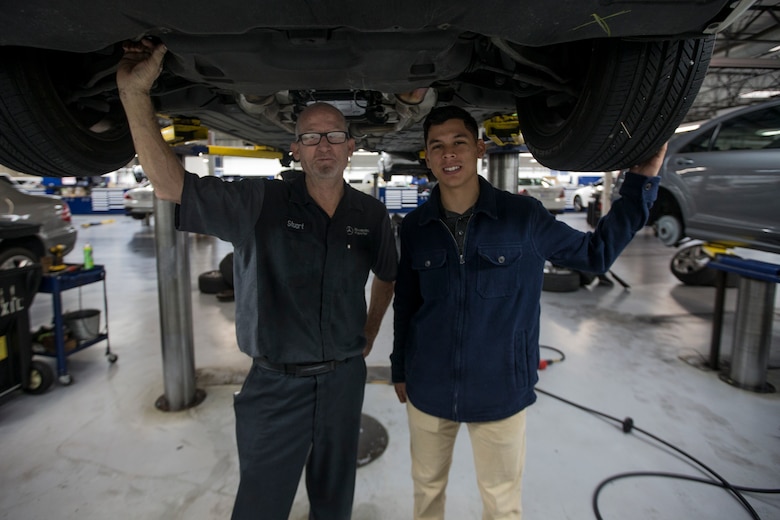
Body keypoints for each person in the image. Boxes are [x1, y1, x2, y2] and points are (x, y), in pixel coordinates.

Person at [116, 39, 397, 520]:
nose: (323, 146)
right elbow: (169, 185)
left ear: (352, 147)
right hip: (275, 386)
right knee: (260, 507)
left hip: (344, 382)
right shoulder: (258, 203)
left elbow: (387, 274)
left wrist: (368, 332)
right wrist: (134, 94)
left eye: (333, 136)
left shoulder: (370, 213)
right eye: (310, 137)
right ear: (296, 149)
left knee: (335, 502)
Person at [391, 105, 664, 519]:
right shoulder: (414, 227)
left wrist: (640, 183)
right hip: (428, 387)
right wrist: (399, 368)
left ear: (479, 148)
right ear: (427, 157)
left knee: (502, 502)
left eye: (459, 143)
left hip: (501, 390)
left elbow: (596, 254)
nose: (449, 154)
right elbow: (407, 304)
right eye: (437, 146)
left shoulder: (523, 217)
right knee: (427, 491)